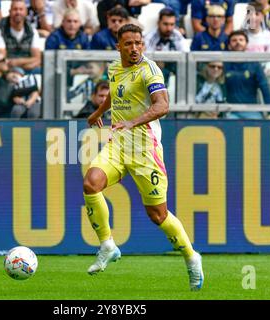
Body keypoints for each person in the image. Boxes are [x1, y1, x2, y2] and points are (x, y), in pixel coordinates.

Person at [82, 24, 204, 291]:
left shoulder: (150, 70)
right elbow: (117, 93)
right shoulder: (114, 68)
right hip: (118, 145)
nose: (134, 48)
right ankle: (107, 245)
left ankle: (192, 258)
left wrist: (134, 122)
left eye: (138, 43)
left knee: (157, 215)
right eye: (128, 44)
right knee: (91, 183)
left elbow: (162, 105)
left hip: (145, 151)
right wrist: (98, 112)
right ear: (119, 47)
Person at [224, 30, 270, 119]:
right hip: (230, 111)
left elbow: (264, 87)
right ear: (229, 46)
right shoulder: (224, 64)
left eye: (241, 40)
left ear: (246, 44)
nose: (238, 42)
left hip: (251, 110)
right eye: (234, 40)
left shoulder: (254, 64)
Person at [0, 0, 42, 72]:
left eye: (21, 9)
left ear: (26, 12)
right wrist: (25, 63)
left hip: (29, 68)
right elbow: (2, 59)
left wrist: (18, 62)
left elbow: (37, 58)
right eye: (15, 9)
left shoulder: (32, 31)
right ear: (9, 12)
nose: (18, 12)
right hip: (8, 70)